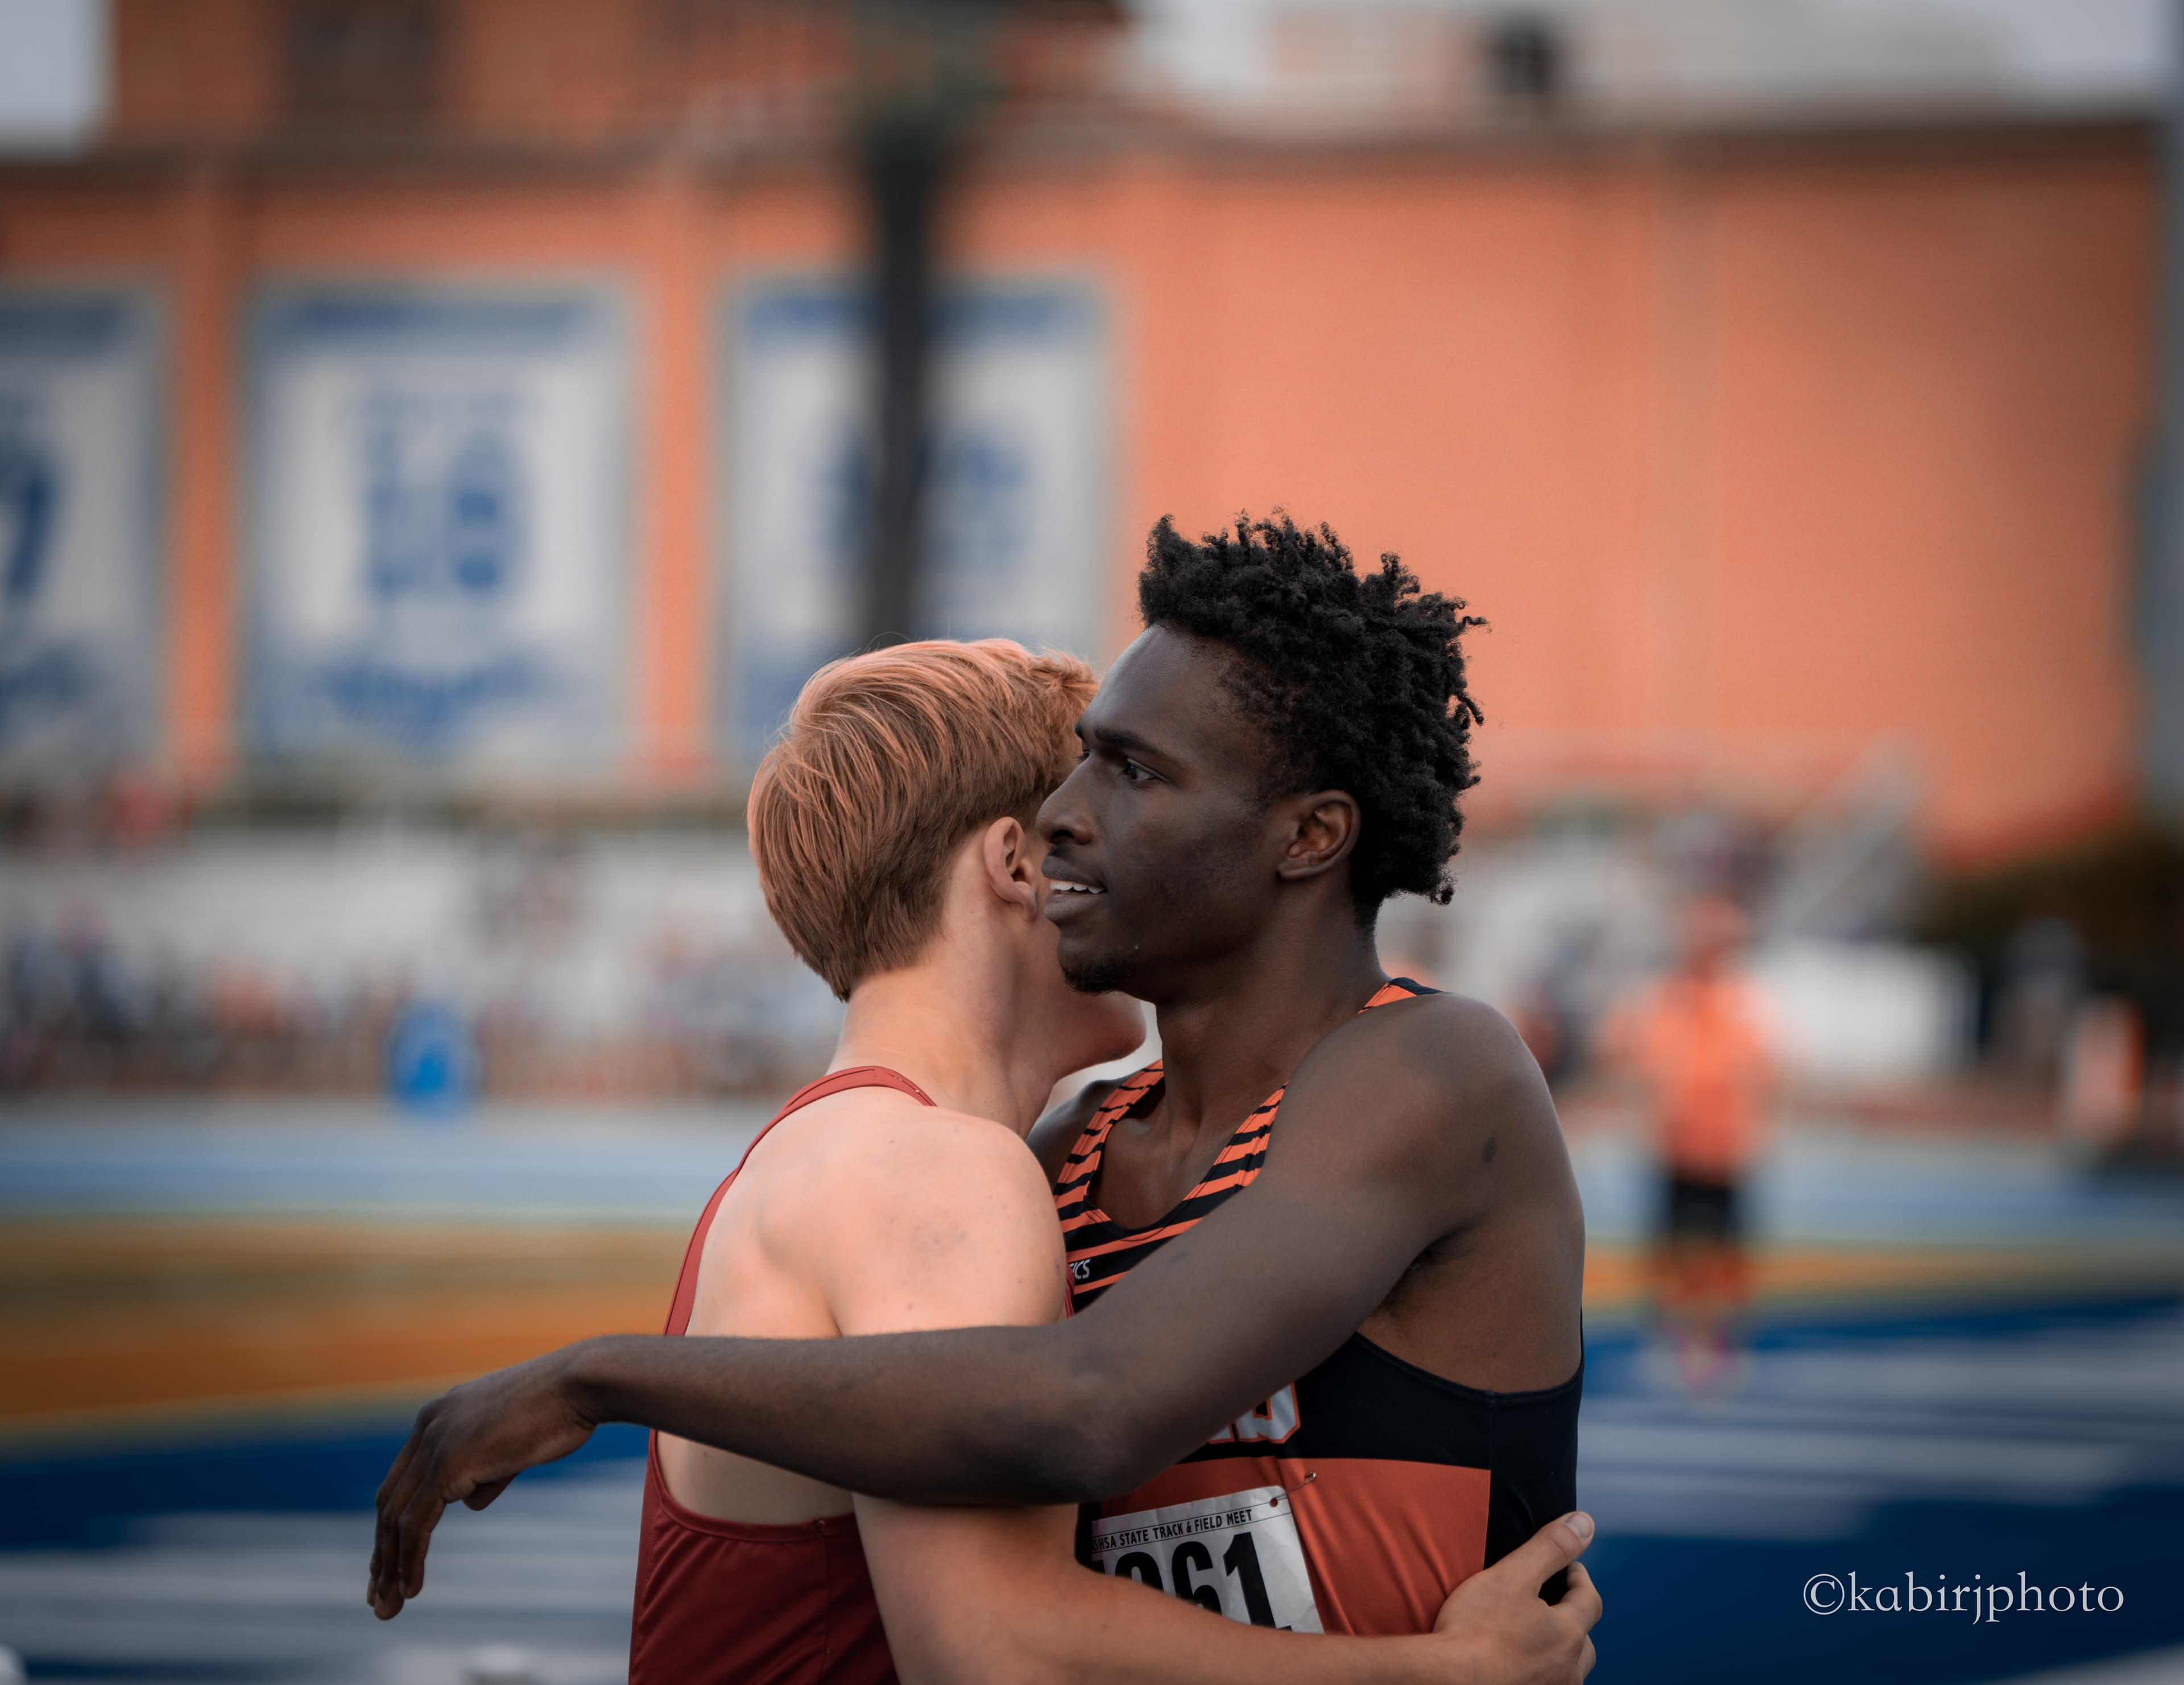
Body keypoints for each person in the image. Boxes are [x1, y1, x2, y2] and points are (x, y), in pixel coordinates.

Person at [370, 515, 1591, 1650]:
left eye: (1133, 770)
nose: (1060, 813)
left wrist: (602, 1375)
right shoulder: (1058, 1152)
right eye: (1080, 762)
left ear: (1310, 834)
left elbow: (1092, 1408)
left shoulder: (1438, 1067)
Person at [1603, 893, 1773, 1389]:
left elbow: (1766, 1070)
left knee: (1726, 1254)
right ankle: (1670, 1338)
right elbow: (1625, 1056)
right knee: (1670, 1250)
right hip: (1675, 1147)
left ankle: (1722, 1343)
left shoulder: (1743, 998)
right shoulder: (1664, 996)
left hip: (1726, 1149)